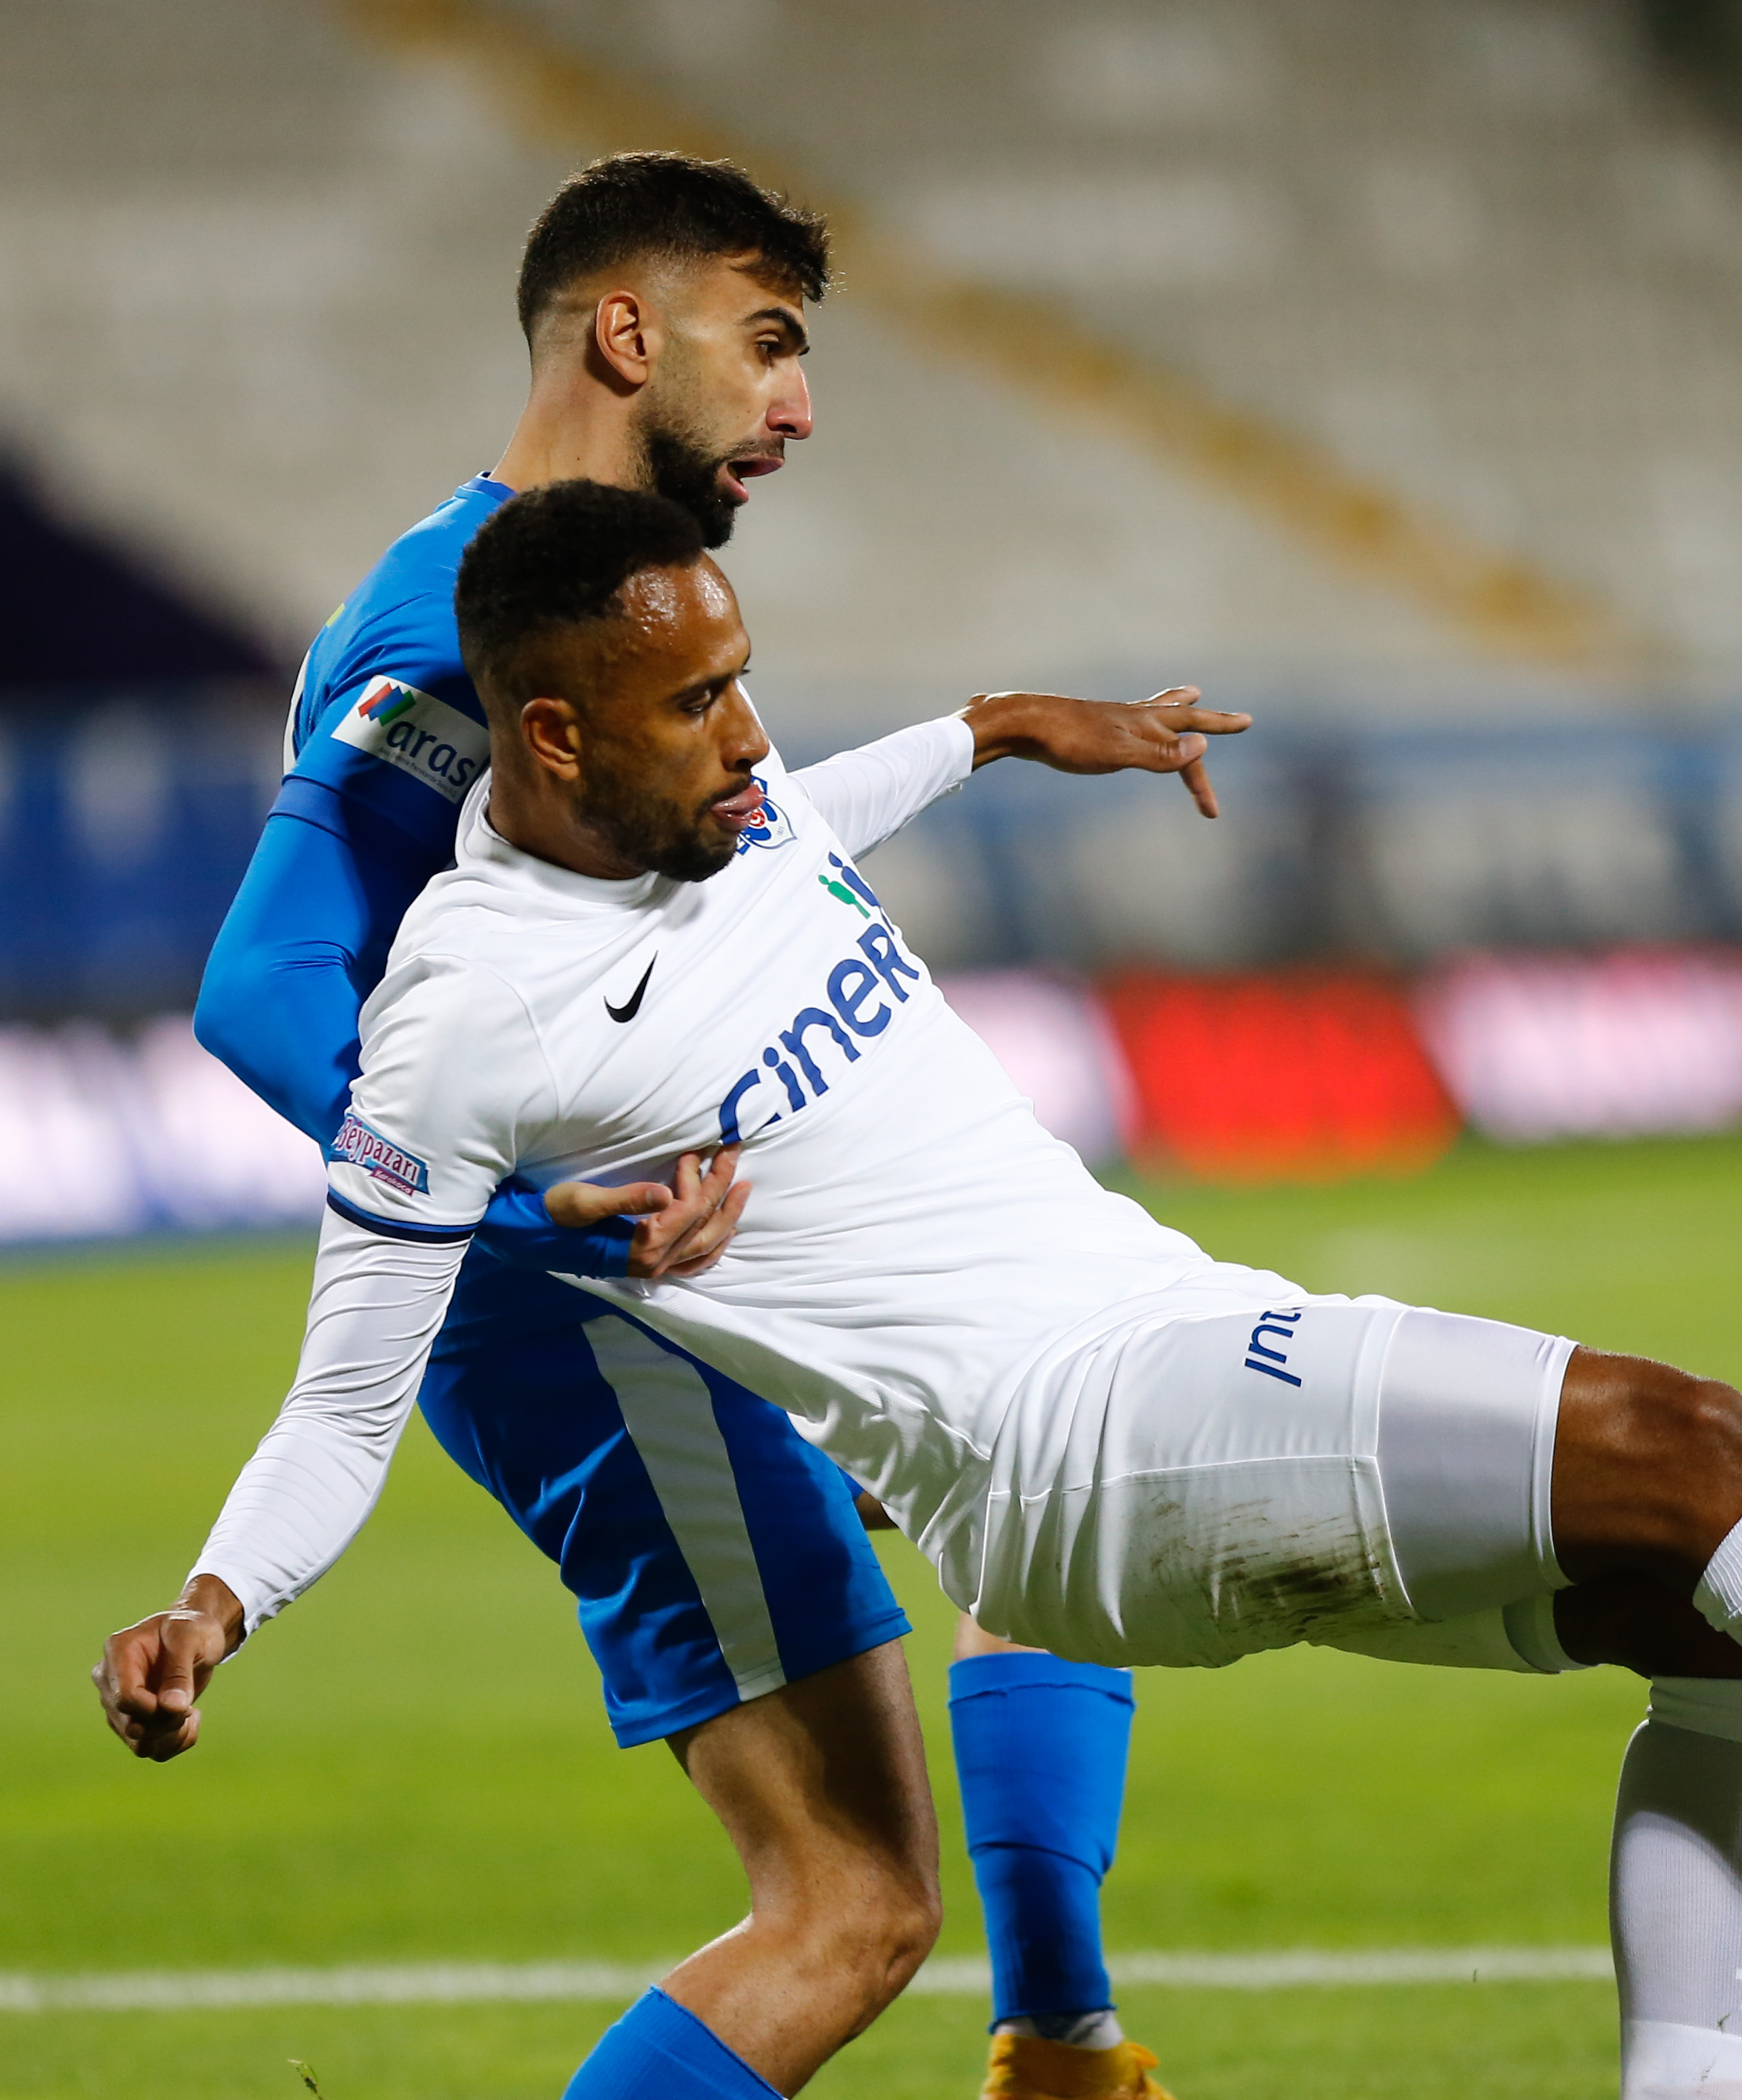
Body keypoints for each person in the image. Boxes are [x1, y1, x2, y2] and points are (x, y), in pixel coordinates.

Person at [107, 479, 1742, 2100]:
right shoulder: (464, 1015)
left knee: (1727, 1624)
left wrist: (1003, 727)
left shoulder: (727, 809)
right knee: (1694, 1445)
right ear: (549, 737)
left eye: (751, 670)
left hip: (1141, 1378)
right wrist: (218, 1600)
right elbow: (354, 1374)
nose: (753, 732)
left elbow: (815, 808)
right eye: (698, 700)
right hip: (1090, 1436)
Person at [150, 153, 1176, 2100]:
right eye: (767, 344)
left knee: (1041, 1465)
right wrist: (524, 1209)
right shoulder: (442, 638)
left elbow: (750, 845)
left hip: (670, 1237)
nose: (800, 404)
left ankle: (1062, 2039)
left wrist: (979, 732)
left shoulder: (568, 587)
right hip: (587, 1314)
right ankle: (1057, 2047)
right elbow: (266, 985)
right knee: (848, 1904)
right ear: (626, 335)